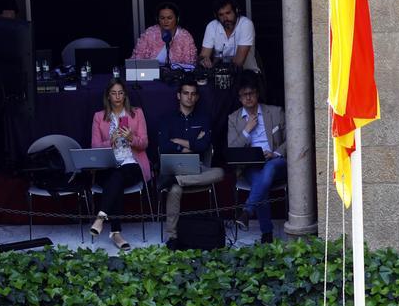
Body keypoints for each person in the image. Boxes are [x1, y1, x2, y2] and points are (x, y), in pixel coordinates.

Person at [158, 77, 222, 246]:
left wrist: (177, 141)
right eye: (186, 93)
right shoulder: (167, 119)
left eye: (193, 94)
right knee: (174, 190)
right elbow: (164, 146)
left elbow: (203, 146)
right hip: (173, 167)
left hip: (197, 167)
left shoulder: (203, 119)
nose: (189, 97)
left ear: (197, 97)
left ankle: (177, 181)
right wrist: (186, 147)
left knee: (220, 172)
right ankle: (172, 237)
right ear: (179, 95)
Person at [89, 78, 151, 250]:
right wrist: (110, 141)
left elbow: (144, 143)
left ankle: (101, 219)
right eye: (113, 93)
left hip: (132, 163)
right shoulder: (99, 117)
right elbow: (94, 148)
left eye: (121, 93)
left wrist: (131, 138)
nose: (117, 97)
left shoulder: (136, 113)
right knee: (114, 178)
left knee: (117, 177)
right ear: (108, 96)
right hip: (107, 165)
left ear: (125, 95)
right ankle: (116, 234)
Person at [228, 79, 286, 244]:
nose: (248, 98)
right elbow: (232, 149)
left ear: (257, 94)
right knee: (262, 184)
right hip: (250, 166)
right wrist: (246, 130)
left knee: (268, 171)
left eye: (251, 93)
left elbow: (292, 139)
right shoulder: (234, 119)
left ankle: (248, 212)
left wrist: (275, 153)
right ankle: (266, 234)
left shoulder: (275, 112)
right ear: (239, 98)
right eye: (244, 95)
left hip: (276, 161)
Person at [201, 0, 259, 73]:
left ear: (236, 11)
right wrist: (203, 60)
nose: (225, 18)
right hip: (218, 74)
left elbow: (239, 62)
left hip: (246, 73)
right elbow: (203, 55)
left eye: (228, 13)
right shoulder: (212, 26)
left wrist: (218, 59)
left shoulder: (246, 24)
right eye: (221, 15)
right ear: (216, 16)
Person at [133, 3, 197, 68]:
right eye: (162, 18)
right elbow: (136, 60)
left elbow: (190, 65)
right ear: (157, 19)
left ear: (177, 19)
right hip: (151, 75)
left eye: (169, 18)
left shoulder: (185, 37)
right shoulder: (149, 34)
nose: (166, 21)